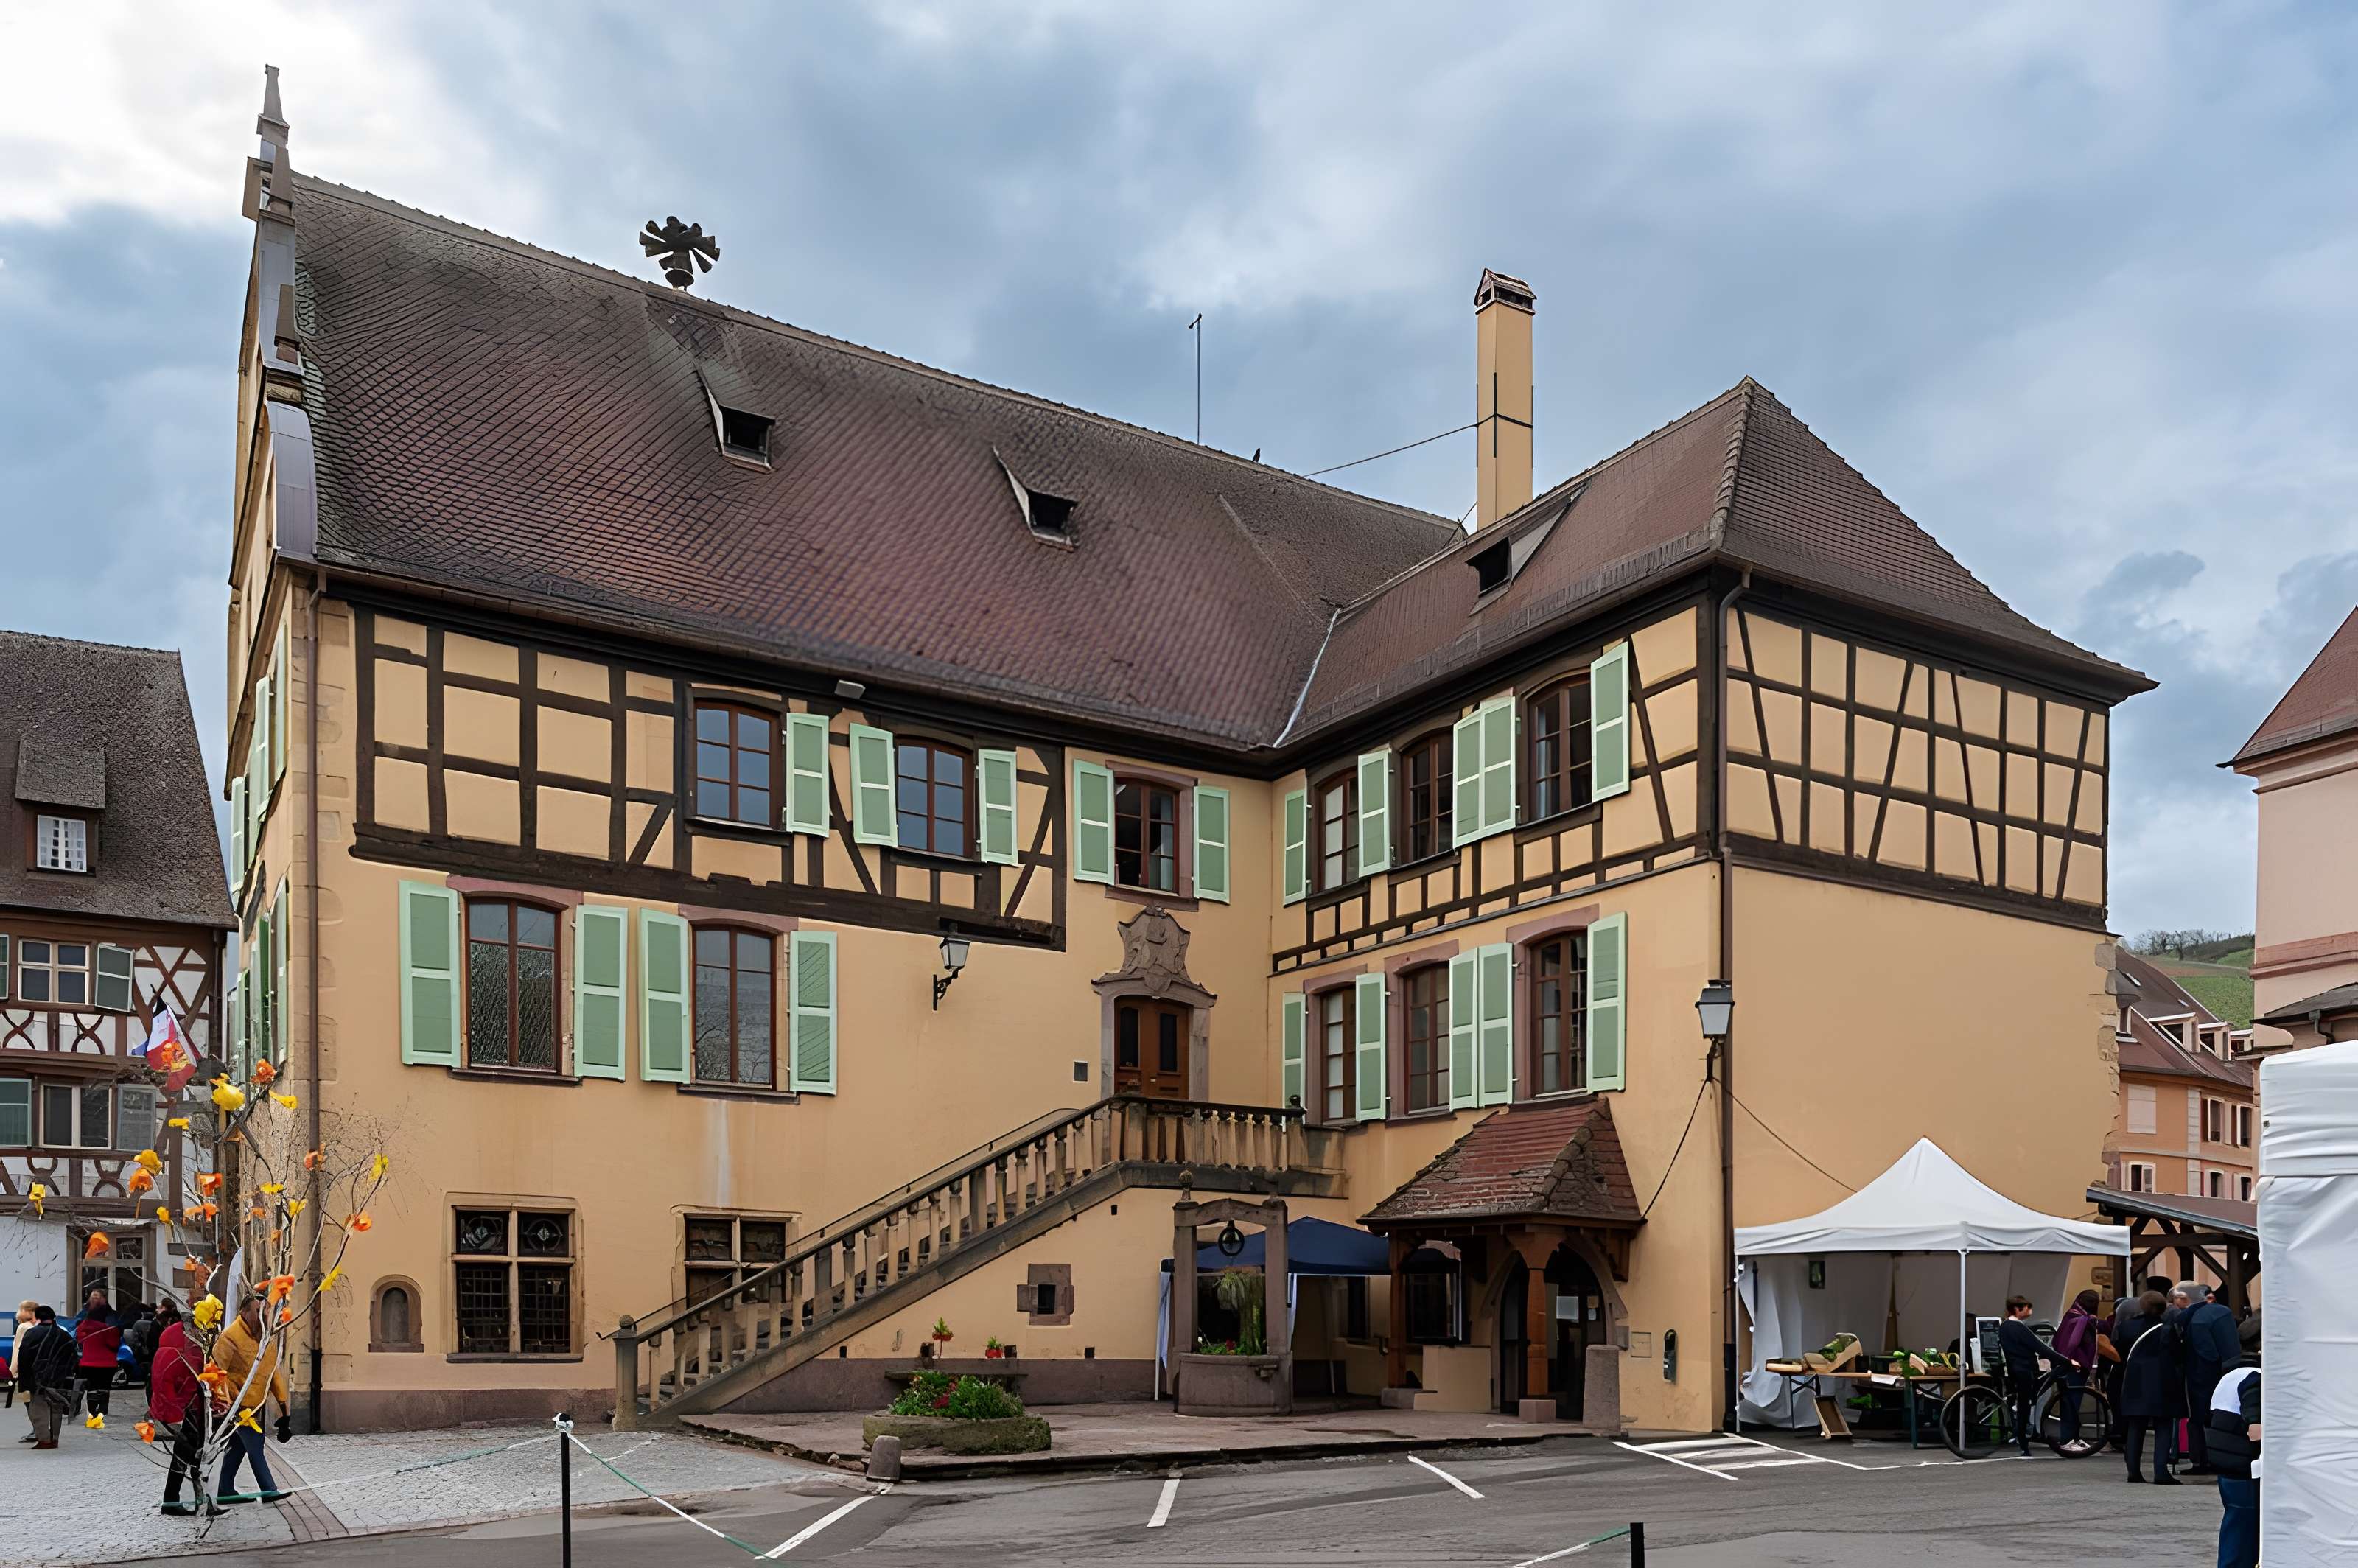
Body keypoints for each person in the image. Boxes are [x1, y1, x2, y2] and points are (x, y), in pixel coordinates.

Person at [211, 1293, 293, 1505]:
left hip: (258, 1403)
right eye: (257, 1311)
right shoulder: (230, 1337)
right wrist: (227, 1402)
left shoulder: (268, 1338)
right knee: (255, 1445)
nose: (262, 1315)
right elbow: (217, 1371)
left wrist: (285, 1410)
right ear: (244, 1312)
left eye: (264, 1310)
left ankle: (224, 1489)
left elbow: (272, 1373)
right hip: (239, 1405)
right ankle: (269, 1490)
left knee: (238, 1447)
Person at [147, 1301, 214, 1518]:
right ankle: (183, 1500)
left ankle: (191, 1499)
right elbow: (181, 1379)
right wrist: (179, 1411)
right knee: (190, 1454)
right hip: (187, 1408)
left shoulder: (179, 1342)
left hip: (188, 1407)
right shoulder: (182, 1349)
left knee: (188, 1454)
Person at [2118, 1288, 2185, 1483]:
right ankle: (2160, 1471)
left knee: (2135, 1425)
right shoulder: (2166, 1330)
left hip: (2134, 1380)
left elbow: (2121, 1348)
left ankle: (2133, 1471)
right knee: (2163, 1425)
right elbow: (2178, 1355)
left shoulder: (2126, 1326)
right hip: (2161, 1381)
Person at [1997, 1296, 2076, 1455]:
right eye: (2027, 1308)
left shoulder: (2004, 1326)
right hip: (2025, 1370)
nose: (2030, 1311)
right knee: (2025, 1406)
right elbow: (2040, 1348)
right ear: (2018, 1309)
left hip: (2013, 1370)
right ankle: (2024, 1445)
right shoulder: (2019, 1328)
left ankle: (2022, 1439)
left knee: (2022, 1405)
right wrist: (2067, 1361)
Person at [2174, 1282, 2239, 1475]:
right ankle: (2217, 1457)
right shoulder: (2220, 1314)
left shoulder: (2183, 1316)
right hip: (2215, 1372)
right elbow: (2225, 1348)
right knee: (2219, 1416)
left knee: (2197, 1417)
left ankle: (2200, 1460)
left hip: (2194, 1373)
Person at [2207, 1356, 2261, 1568]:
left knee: (2235, 1527)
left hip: (2226, 1466)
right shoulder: (2254, 1379)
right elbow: (2255, 1430)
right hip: (2245, 1467)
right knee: (2243, 1537)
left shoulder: (2228, 1377)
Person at [14, 1306, 77, 1450]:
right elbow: (73, 1357)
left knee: (38, 1409)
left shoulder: (32, 1333)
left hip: (38, 1379)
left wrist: (24, 1378)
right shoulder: (63, 1335)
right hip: (58, 1379)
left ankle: (44, 1440)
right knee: (56, 1409)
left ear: (36, 1318)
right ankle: (54, 1439)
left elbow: (23, 1356)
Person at [2049, 1289, 2103, 1441]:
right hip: (2076, 1367)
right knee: (2073, 1403)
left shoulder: (2069, 1315)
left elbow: (2056, 1340)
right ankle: (2069, 1440)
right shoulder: (2086, 1320)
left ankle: (2067, 1439)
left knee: (2066, 1403)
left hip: (2061, 1365)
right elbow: (2077, 1343)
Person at [71, 1289, 119, 1419]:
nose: (94, 1299)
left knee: (91, 1387)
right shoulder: (110, 1328)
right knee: (104, 1387)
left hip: (88, 1362)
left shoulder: (83, 1325)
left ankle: (92, 1410)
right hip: (107, 1363)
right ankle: (102, 1410)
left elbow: (79, 1339)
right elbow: (114, 1345)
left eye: (97, 1297)